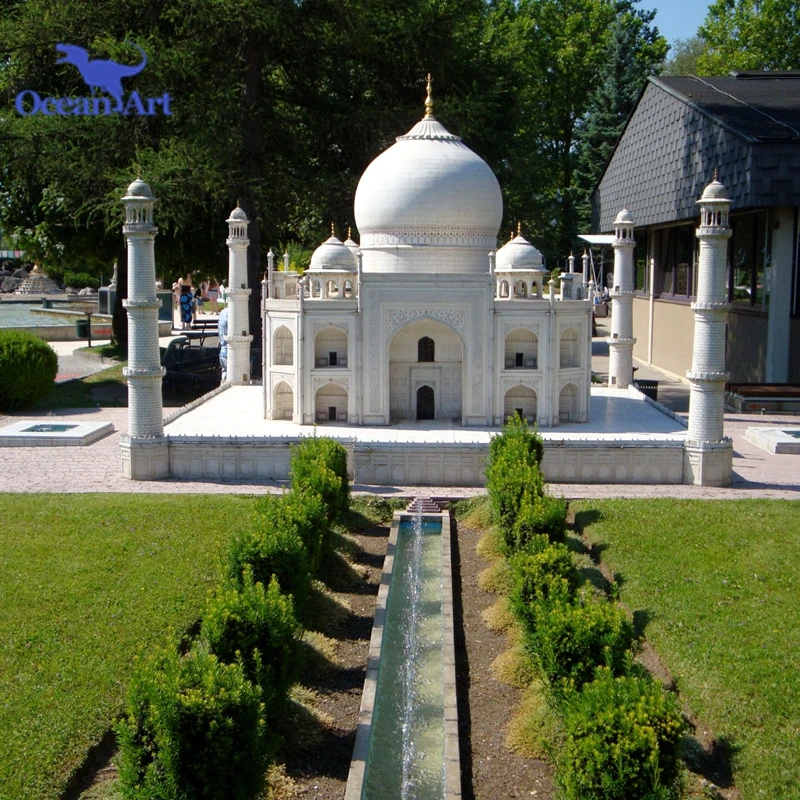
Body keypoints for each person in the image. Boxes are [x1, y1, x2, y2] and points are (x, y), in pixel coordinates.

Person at [218, 305, 229, 382]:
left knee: (225, 374)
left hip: (223, 351)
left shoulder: (223, 312)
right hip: (230, 352)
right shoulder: (231, 313)